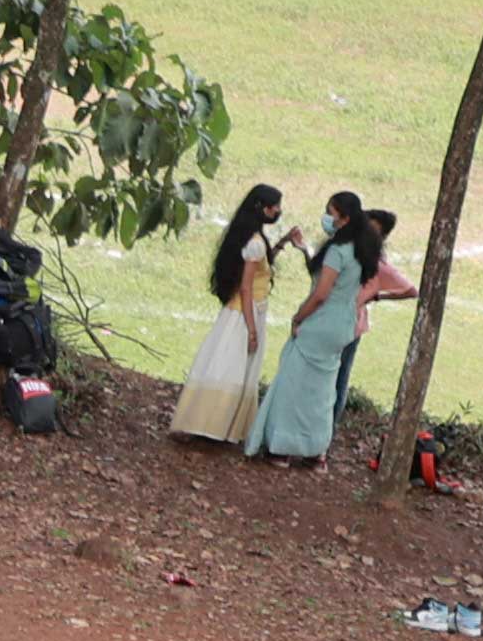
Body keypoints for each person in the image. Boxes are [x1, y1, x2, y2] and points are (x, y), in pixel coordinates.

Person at [251, 196, 405, 462]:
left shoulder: (338, 251)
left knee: (293, 383)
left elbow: (321, 293)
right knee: (322, 391)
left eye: (331, 213)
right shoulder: (365, 251)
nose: (327, 218)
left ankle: (281, 448)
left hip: (321, 322)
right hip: (343, 325)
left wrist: (299, 317)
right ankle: (315, 450)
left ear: (344, 218)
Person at [168, 185, 286, 447]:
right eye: (275, 206)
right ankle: (217, 426)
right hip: (246, 313)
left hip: (238, 311)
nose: (278, 211)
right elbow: (246, 287)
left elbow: (256, 269)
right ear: (263, 209)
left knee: (220, 365)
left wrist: (280, 245)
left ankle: (208, 423)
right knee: (233, 369)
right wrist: (252, 329)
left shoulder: (248, 238)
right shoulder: (255, 243)